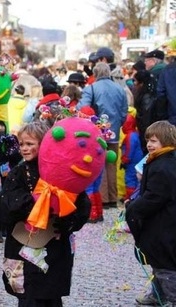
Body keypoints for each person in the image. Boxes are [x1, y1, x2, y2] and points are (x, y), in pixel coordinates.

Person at [0, 121, 91, 306]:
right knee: (29, 294)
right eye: (22, 144)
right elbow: (8, 203)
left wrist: (65, 223)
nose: (24, 149)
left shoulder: (61, 171)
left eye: (30, 144)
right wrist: (36, 201)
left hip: (54, 246)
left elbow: (80, 204)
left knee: (50, 294)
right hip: (24, 244)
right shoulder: (18, 173)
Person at [125, 120, 176, 306]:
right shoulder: (159, 161)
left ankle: (171, 297)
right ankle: (157, 294)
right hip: (160, 223)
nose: (149, 144)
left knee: (164, 263)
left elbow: (155, 197)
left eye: (154, 140)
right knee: (157, 260)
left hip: (163, 224)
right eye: (148, 140)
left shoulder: (163, 166)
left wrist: (133, 209)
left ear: (167, 141)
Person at [77, 62, 128, 208]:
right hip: (115, 131)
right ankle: (113, 197)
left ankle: (103, 198)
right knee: (111, 163)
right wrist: (117, 124)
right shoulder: (120, 88)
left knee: (99, 164)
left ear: (95, 73)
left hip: (97, 132)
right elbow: (124, 112)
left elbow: (83, 108)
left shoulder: (91, 88)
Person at [120, 114, 144, 200]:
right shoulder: (135, 133)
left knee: (130, 179)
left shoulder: (130, 136)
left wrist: (124, 160)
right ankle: (134, 196)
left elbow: (129, 150)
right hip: (137, 160)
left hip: (132, 161)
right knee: (136, 179)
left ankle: (130, 197)